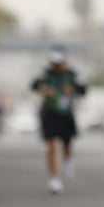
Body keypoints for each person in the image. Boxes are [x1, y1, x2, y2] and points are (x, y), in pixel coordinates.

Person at [30, 47, 86, 194]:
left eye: (59, 63)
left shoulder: (72, 75)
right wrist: (44, 88)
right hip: (49, 112)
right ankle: (54, 179)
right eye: (54, 64)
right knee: (51, 145)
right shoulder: (46, 74)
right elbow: (34, 85)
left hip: (66, 113)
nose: (57, 66)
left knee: (66, 144)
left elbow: (83, 89)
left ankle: (67, 160)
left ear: (65, 62)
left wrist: (72, 90)